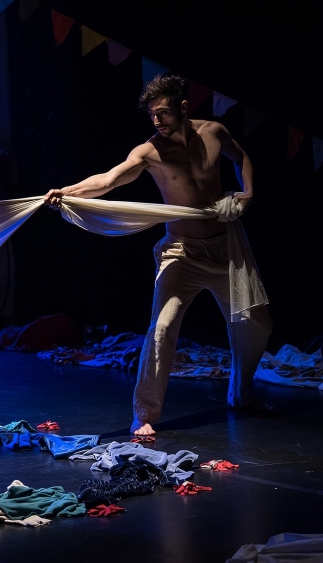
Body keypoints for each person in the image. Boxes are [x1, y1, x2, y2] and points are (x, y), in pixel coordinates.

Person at [44, 74, 273, 436]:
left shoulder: (213, 132)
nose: (157, 121)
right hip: (181, 253)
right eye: (152, 115)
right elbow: (109, 180)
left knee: (257, 324)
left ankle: (241, 392)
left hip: (225, 248)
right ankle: (145, 414)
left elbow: (241, 157)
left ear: (183, 107)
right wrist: (68, 193)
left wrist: (248, 191)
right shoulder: (149, 151)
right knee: (162, 328)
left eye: (163, 113)